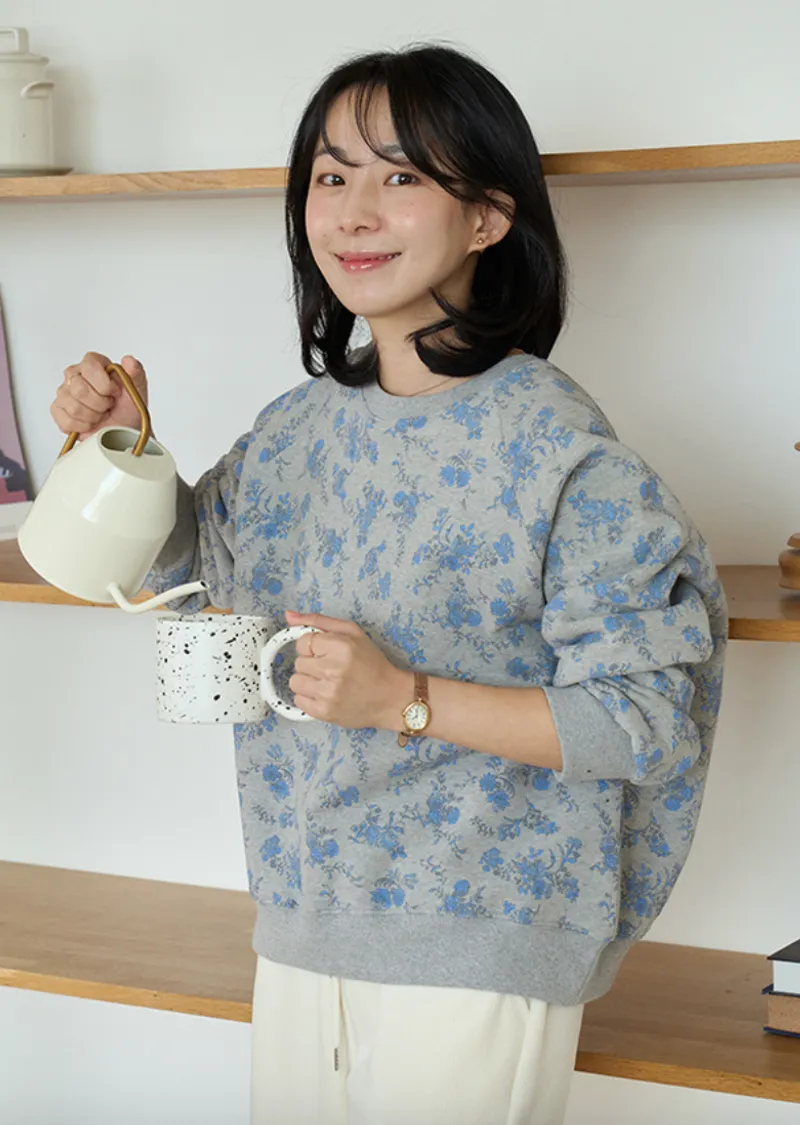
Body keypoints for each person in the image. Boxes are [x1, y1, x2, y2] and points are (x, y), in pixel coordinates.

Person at [50, 43, 728, 1125]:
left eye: (401, 175)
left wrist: (401, 700)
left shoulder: (563, 454)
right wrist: (125, 450)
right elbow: (193, 570)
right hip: (300, 920)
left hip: (485, 945)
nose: (354, 212)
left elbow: (644, 722)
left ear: (488, 217)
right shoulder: (294, 430)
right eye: (331, 175)